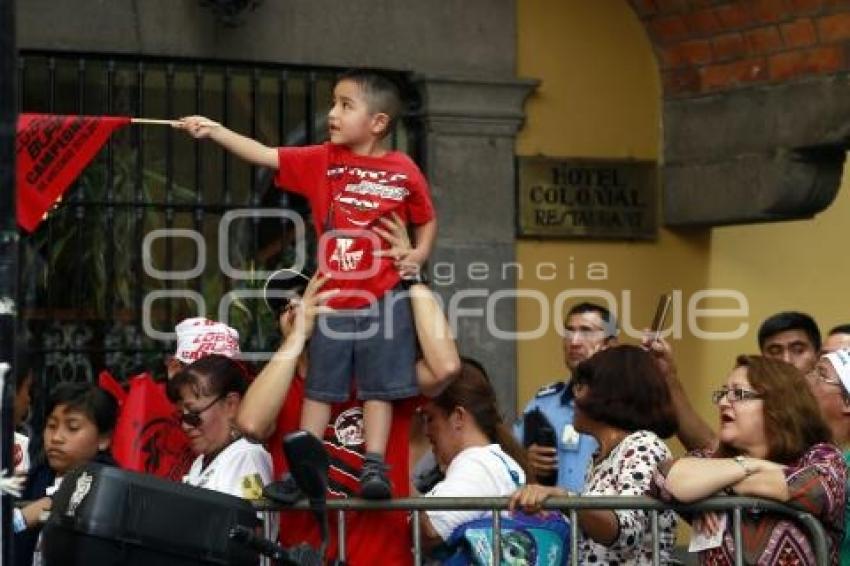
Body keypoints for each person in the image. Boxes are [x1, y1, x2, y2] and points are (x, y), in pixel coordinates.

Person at [178, 69, 437, 499]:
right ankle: (304, 465)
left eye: (345, 105)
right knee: (320, 383)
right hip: (333, 298)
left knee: (377, 386)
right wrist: (217, 131)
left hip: (383, 296)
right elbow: (264, 154)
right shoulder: (323, 160)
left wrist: (418, 255)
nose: (332, 113)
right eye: (333, 103)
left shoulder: (402, 168)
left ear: (378, 123)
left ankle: (375, 466)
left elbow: (426, 217)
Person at [236, 217, 459, 566]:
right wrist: (298, 336)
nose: (297, 308)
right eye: (284, 307)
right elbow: (250, 423)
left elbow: (445, 367)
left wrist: (411, 275)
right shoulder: (283, 385)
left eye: (307, 296)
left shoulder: (375, 374)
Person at [656, 355, 846, 565]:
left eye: (738, 394)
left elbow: (814, 489)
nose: (723, 402)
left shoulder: (821, 457)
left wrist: (713, 487)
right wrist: (749, 465)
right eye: (723, 393)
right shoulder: (711, 461)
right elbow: (664, 476)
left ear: (779, 405)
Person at [510, 345, 679, 565]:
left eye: (581, 386)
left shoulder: (642, 446)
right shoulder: (602, 456)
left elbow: (627, 532)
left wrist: (565, 499)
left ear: (608, 395)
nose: (574, 396)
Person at [418, 360, 532, 556]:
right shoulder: (491, 460)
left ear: (458, 417)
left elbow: (430, 532)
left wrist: (395, 473)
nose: (426, 431)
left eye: (431, 418)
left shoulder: (477, 464)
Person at [513, 302, 617, 492]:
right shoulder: (542, 404)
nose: (574, 341)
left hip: (606, 519)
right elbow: (508, 462)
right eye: (569, 332)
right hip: (552, 519)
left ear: (610, 345)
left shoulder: (628, 405)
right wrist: (525, 462)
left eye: (586, 332)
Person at [13, 382, 118, 566]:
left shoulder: (109, 485)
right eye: (51, 426)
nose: (56, 438)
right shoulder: (37, 476)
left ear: (103, 439)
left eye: (72, 428)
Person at [166, 354, 273, 501]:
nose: (185, 426)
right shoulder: (201, 461)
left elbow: (252, 521)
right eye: (182, 416)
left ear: (231, 405)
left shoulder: (248, 456)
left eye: (194, 414)